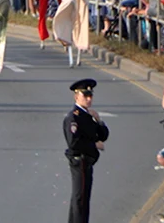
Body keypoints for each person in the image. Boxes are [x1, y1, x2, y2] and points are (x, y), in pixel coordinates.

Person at [63, 78, 110, 223]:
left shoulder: (88, 116)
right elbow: (74, 143)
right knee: (80, 199)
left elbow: (103, 135)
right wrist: (94, 145)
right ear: (76, 96)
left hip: (87, 161)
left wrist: (99, 120)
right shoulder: (74, 117)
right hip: (80, 160)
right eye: (85, 96)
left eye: (91, 96)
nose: (89, 99)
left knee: (82, 197)